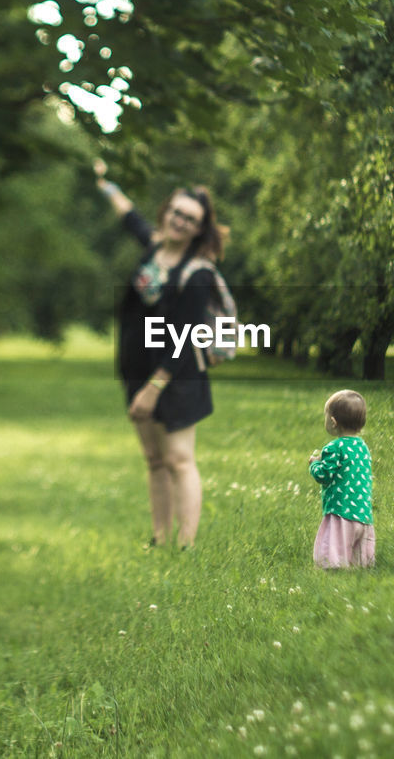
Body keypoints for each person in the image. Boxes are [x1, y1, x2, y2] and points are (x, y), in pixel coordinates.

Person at [95, 160, 225, 550]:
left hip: (176, 377)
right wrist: (106, 183)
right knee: (154, 460)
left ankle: (186, 546)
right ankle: (159, 538)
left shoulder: (198, 273)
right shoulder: (153, 249)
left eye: (190, 219)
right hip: (136, 369)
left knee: (179, 459)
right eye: (176, 212)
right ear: (166, 212)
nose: (180, 221)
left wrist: (153, 390)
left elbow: (184, 338)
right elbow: (129, 216)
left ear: (200, 229)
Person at [308, 389, 375, 569]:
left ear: (333, 422)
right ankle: (361, 566)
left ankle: (333, 569)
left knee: (334, 553)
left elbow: (324, 475)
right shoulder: (362, 447)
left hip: (341, 510)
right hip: (362, 512)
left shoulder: (334, 447)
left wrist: (314, 464)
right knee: (358, 558)